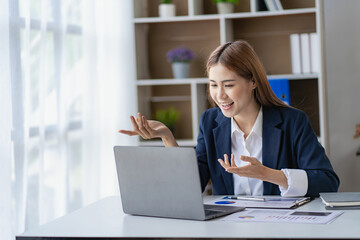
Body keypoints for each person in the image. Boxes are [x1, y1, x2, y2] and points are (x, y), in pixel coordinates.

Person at [119, 40, 339, 197]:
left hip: (281, 228)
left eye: (229, 85)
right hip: (227, 229)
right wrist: (167, 138)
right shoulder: (210, 121)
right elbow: (190, 186)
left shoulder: (292, 121)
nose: (220, 95)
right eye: (214, 85)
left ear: (253, 82)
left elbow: (328, 182)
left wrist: (269, 174)